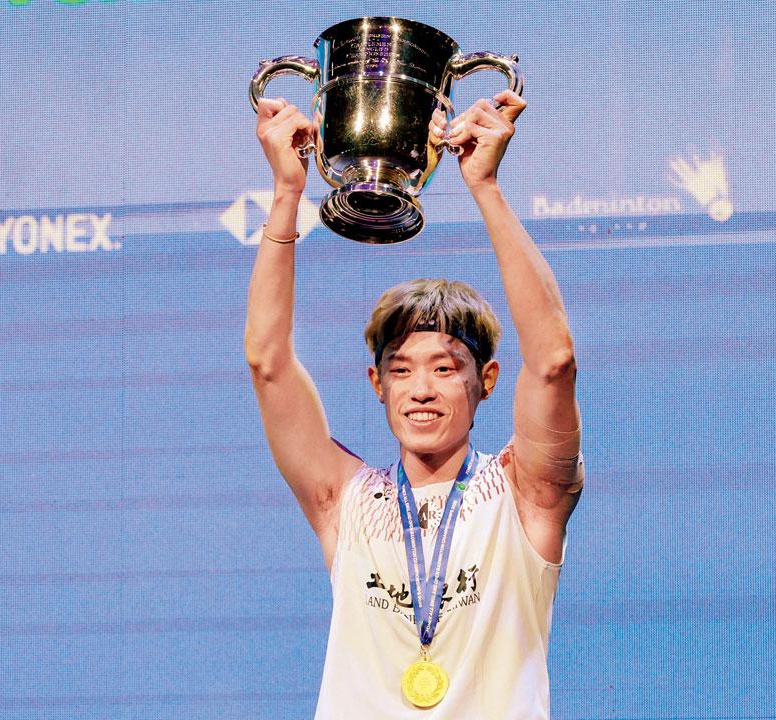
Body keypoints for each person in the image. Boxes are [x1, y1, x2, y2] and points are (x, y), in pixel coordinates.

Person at [246, 89, 583, 719]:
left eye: (445, 369)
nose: (421, 389)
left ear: (486, 380)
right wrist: (287, 194)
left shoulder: (526, 496)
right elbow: (268, 362)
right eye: (401, 370)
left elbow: (555, 361)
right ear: (378, 384)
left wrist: (484, 188)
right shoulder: (342, 500)